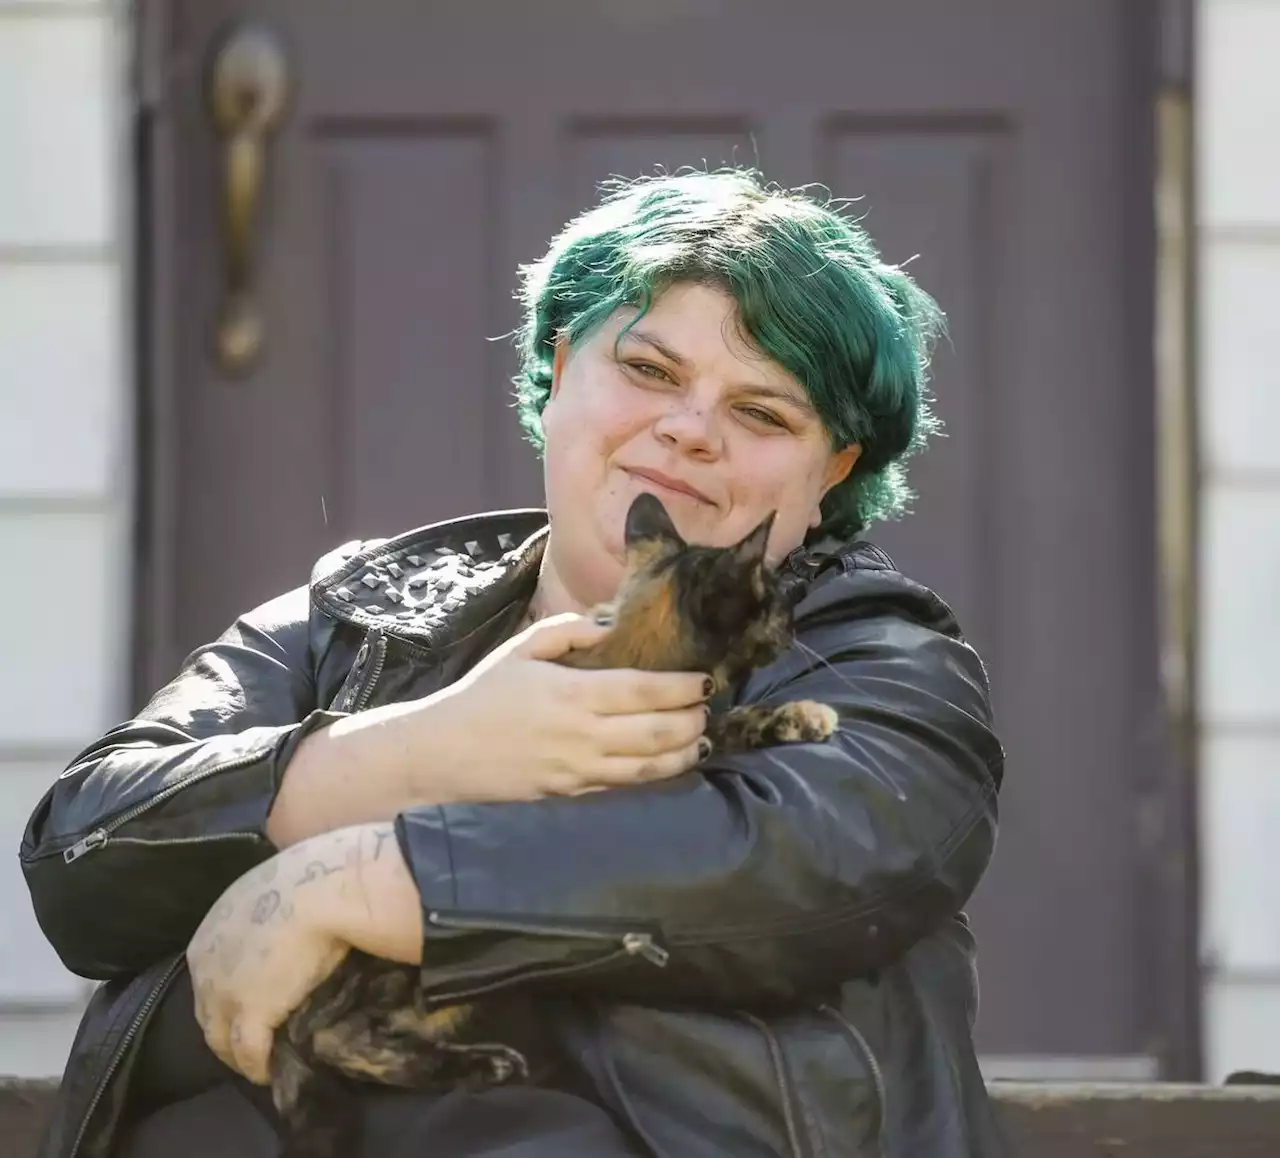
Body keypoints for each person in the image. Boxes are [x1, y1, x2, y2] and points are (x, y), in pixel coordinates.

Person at [20, 167, 1007, 1158]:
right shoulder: (362, 612)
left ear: (831, 469)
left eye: (761, 415)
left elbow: (799, 858)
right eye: (651, 372)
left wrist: (364, 880)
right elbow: (85, 855)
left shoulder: (878, 658)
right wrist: (420, 752)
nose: (689, 430)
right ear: (560, 356)